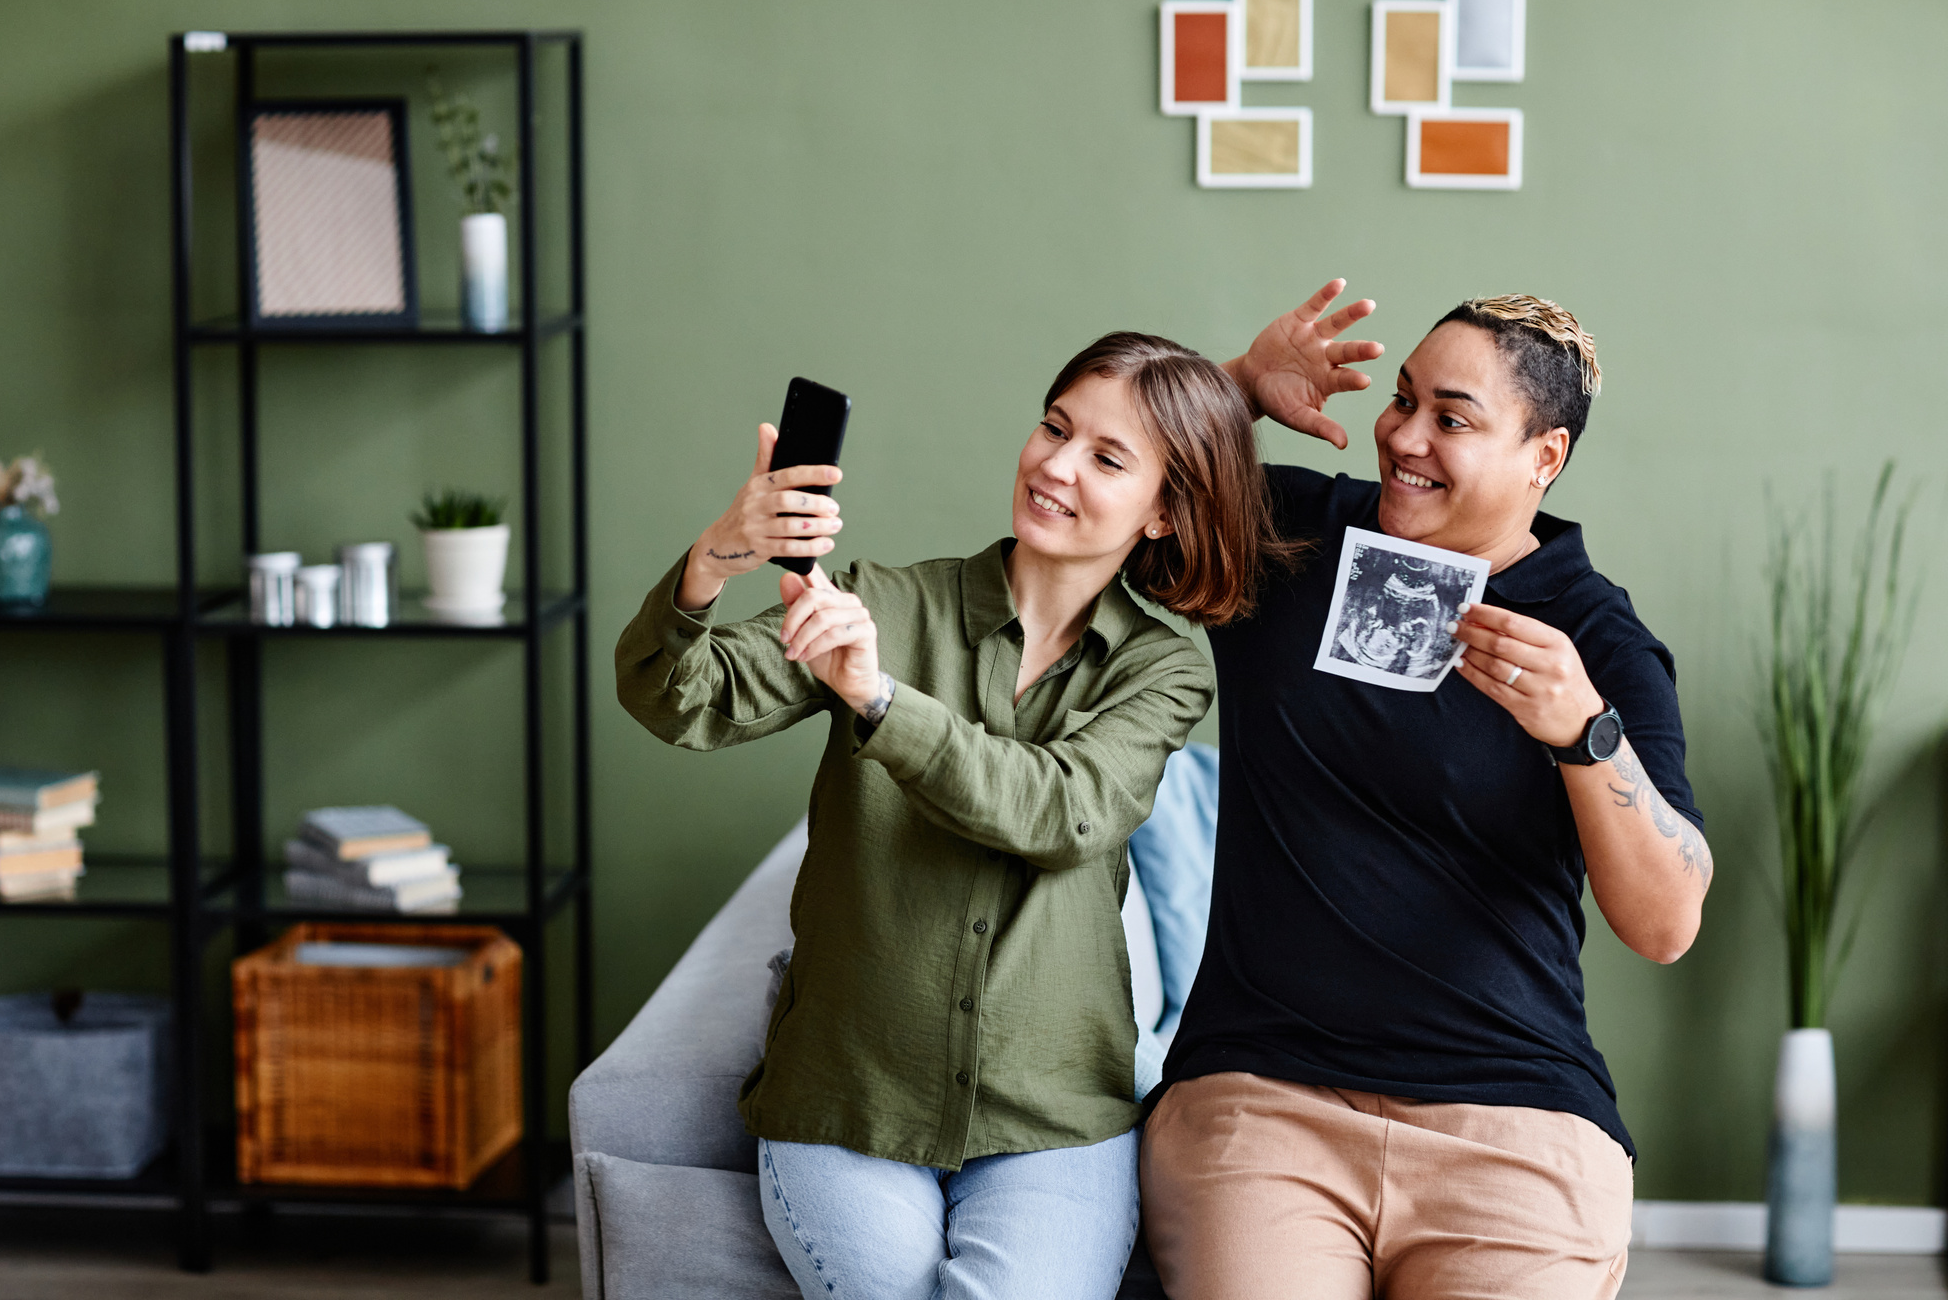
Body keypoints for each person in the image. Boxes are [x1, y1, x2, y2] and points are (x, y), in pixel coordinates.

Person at [617, 333, 1294, 1300]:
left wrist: (881, 703)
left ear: (1166, 511)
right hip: (848, 1099)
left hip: (1057, 1117)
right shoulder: (879, 603)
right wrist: (719, 556)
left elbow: (1067, 807)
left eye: (1106, 458)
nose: (1056, 465)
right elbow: (676, 696)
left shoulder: (1165, 667)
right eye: (1054, 427)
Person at [1139, 285, 1712, 1300]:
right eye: (1403, 399)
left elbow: (1665, 922)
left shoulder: (1599, 640)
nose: (1402, 436)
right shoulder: (1294, 536)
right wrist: (1229, 393)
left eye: (1451, 419)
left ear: (1546, 457)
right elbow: (1088, 490)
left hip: (1512, 1120)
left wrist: (1587, 736)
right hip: (1266, 1101)